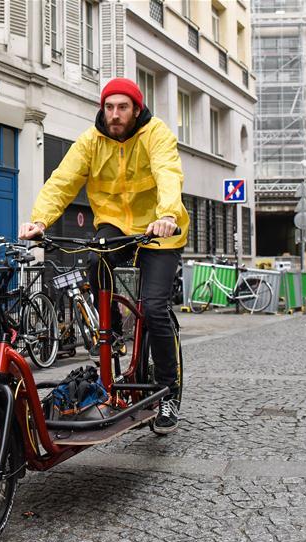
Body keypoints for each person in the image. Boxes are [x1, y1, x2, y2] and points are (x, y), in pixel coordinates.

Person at [19, 77, 189, 434]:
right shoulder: (90, 142)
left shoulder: (156, 134)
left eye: (122, 107)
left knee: (155, 308)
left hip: (159, 230)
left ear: (136, 109)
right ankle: (108, 331)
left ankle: (169, 393)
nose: (114, 114)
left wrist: (168, 215)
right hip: (114, 226)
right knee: (96, 260)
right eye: (109, 107)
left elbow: (168, 172)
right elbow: (62, 182)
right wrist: (39, 220)